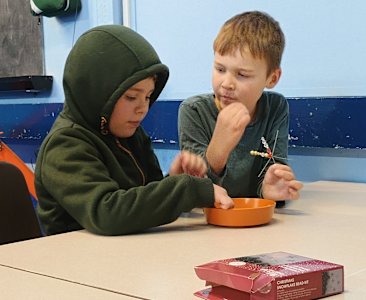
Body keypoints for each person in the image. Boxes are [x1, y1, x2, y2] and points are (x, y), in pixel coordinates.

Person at [34, 25, 233, 236]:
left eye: (147, 96)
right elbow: (107, 213)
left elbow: (140, 202)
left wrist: (170, 181)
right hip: (75, 262)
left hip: (128, 256)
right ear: (98, 94)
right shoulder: (65, 145)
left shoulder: (131, 135)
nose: (143, 108)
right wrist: (185, 190)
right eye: (131, 97)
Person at [178, 11, 303, 206]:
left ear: (272, 78)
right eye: (220, 69)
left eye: (242, 75)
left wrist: (270, 189)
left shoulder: (276, 108)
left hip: (254, 222)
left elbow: (273, 167)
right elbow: (196, 189)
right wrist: (219, 146)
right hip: (205, 223)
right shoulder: (193, 111)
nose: (226, 83)